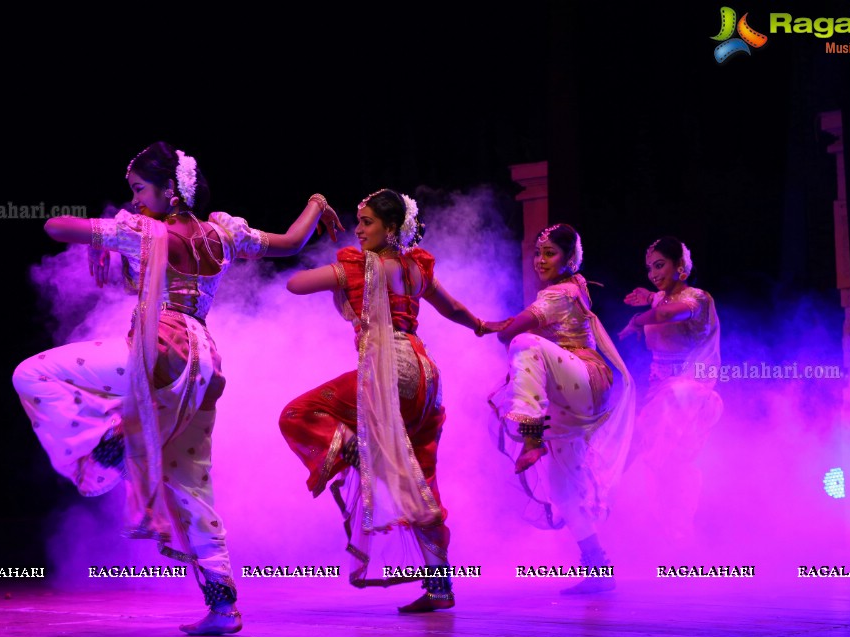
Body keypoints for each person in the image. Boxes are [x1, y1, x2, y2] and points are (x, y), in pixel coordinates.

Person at [12, 141, 341, 635]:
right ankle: (224, 606)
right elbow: (291, 243)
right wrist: (316, 203)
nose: (137, 198)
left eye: (141, 189)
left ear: (171, 189)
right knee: (190, 484)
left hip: (159, 351)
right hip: (205, 360)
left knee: (31, 374)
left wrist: (119, 224)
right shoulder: (223, 233)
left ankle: (114, 448)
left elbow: (54, 226)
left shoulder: (142, 231)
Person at [279, 188, 494, 613]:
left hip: (388, 370)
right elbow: (451, 307)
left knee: (298, 414)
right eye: (357, 222)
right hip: (426, 375)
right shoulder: (416, 267)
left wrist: (340, 277)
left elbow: (293, 283)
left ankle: (357, 450)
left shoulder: (361, 267)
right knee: (420, 477)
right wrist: (481, 325)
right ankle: (440, 586)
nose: (358, 230)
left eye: (367, 222)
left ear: (391, 227)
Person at [484, 223, 635, 595]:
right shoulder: (575, 286)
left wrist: (490, 325)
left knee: (523, 342)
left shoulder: (561, 292)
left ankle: (531, 437)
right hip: (567, 395)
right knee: (563, 490)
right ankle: (598, 566)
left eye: (549, 253)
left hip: (584, 377)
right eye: (537, 253)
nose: (540, 260)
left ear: (569, 259)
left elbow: (511, 332)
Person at [618, 236, 722, 545]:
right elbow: (660, 304)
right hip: (661, 392)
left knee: (654, 455)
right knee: (665, 466)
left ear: (681, 266)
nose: (653, 273)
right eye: (649, 268)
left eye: (660, 265)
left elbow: (668, 314)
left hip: (689, 394)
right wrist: (647, 295)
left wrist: (637, 321)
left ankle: (675, 535)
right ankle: (673, 536)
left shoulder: (698, 298)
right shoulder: (658, 298)